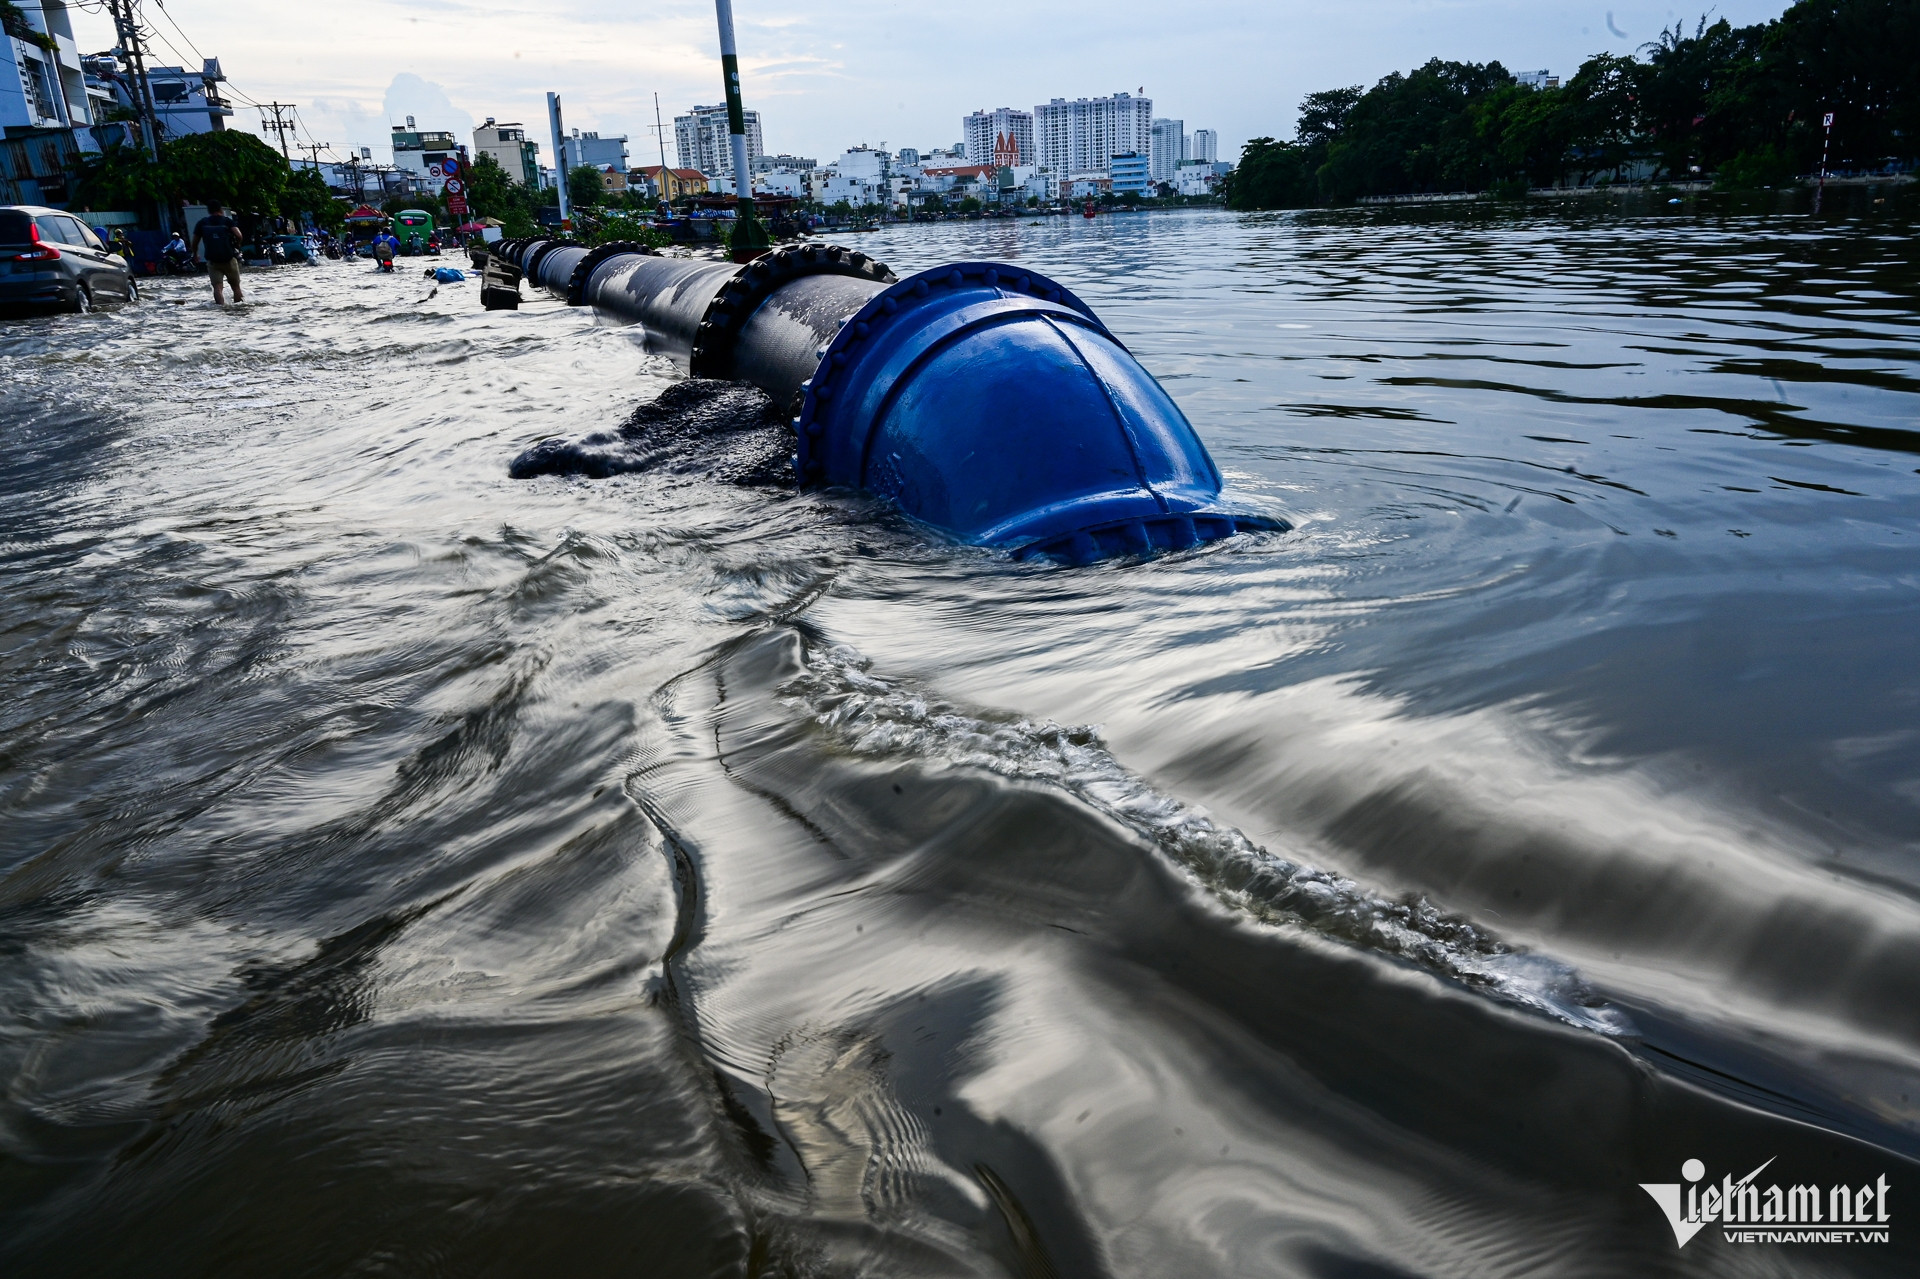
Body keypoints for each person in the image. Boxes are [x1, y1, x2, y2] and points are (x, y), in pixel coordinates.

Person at [191, 202, 245, 304]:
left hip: (213, 261)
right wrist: (237, 245)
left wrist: (195, 254)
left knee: (217, 287)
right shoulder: (227, 221)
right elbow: (239, 235)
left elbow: (194, 242)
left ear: (209, 211)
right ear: (221, 210)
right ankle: (240, 308)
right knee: (236, 287)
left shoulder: (202, 223)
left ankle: (221, 309)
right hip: (229, 258)